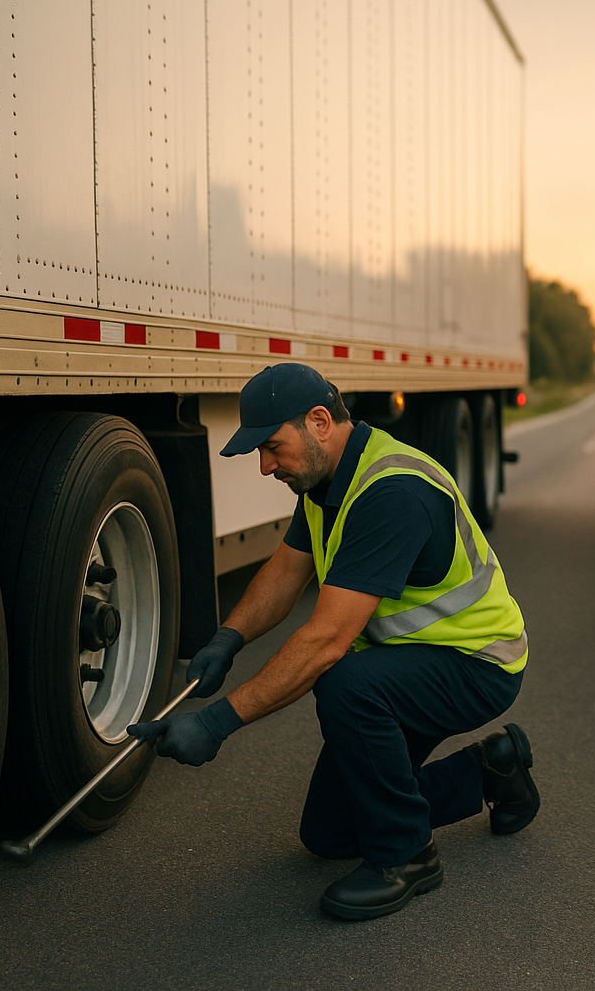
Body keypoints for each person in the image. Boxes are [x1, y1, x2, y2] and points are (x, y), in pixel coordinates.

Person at [129, 362, 538, 920]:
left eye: (272, 446)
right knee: (328, 831)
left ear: (319, 421)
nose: (265, 466)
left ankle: (408, 857)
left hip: (477, 664)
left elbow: (324, 641)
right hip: (409, 665)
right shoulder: (328, 479)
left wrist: (216, 722)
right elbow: (286, 570)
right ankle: (493, 768)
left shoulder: (390, 492)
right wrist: (228, 636)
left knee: (343, 682)